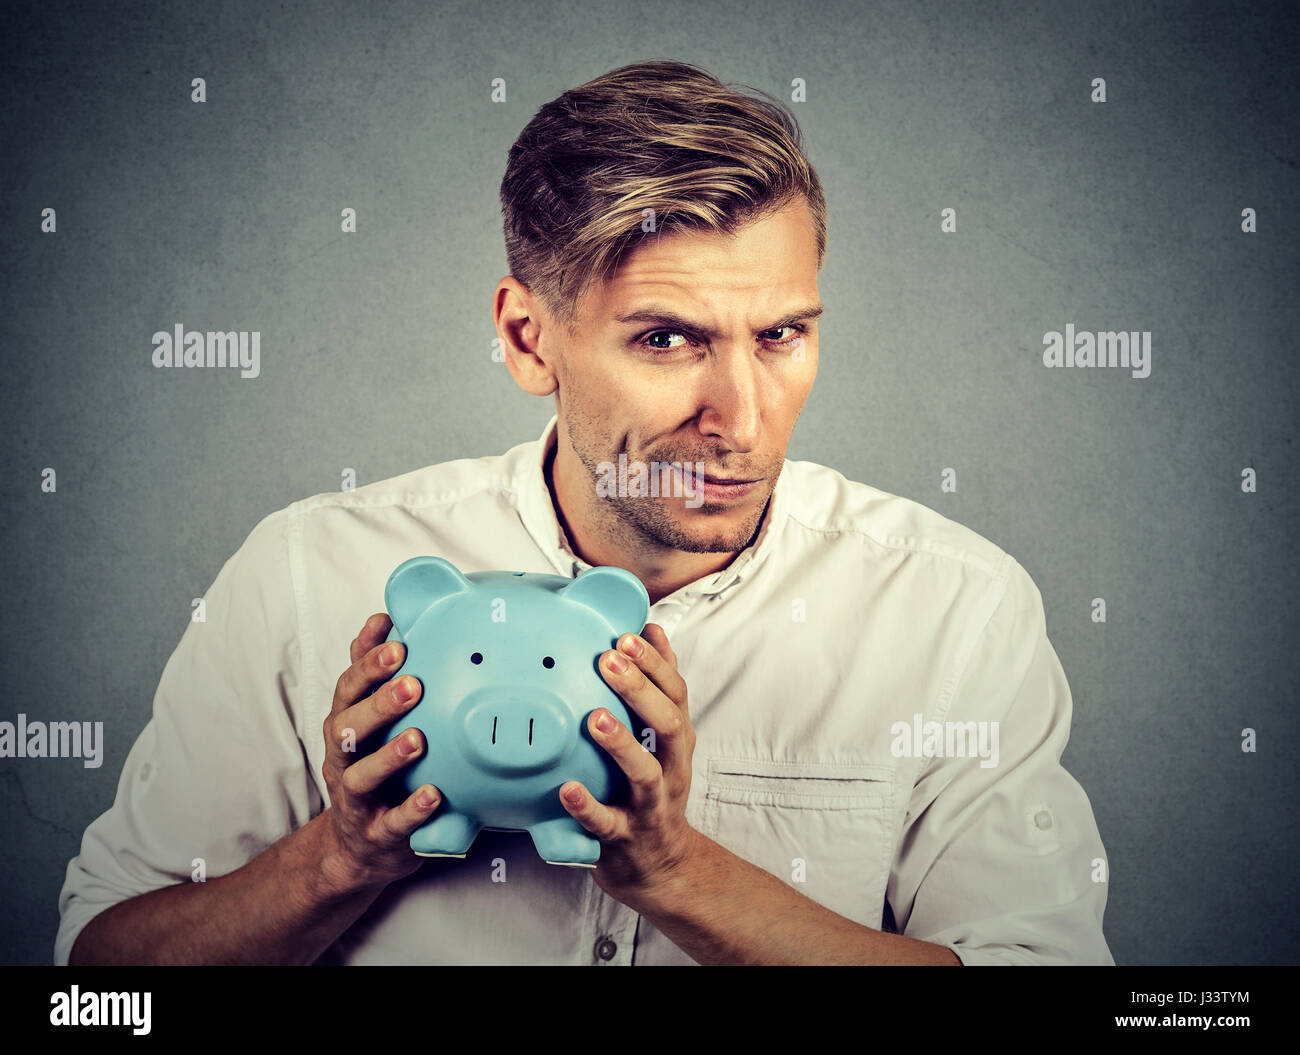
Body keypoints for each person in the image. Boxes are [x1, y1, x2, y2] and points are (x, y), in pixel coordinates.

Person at [55, 59, 1113, 966]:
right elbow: (91, 991)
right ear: (528, 339)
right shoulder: (306, 573)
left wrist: (680, 872)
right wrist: (336, 856)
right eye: (667, 340)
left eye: (782, 334)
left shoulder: (952, 608)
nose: (740, 418)